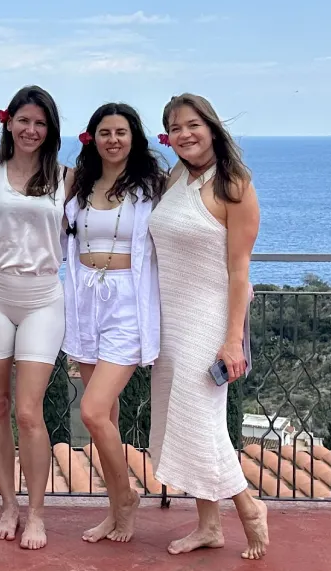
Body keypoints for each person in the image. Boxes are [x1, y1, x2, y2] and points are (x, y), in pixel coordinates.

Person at [148, 93, 269, 561]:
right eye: (175, 128)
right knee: (184, 420)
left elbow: (240, 272)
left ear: (212, 127)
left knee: (201, 422)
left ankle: (248, 508)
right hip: (170, 318)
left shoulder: (234, 185)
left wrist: (232, 338)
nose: (184, 135)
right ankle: (208, 525)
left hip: (208, 318)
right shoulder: (176, 176)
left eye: (192, 124)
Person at [0, 85, 70, 551]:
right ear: (9, 122)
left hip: (43, 298)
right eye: (24, 121)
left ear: (50, 130)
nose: (31, 130)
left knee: (29, 412)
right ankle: (7, 505)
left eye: (40, 123)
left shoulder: (68, 177)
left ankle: (35, 512)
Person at [62, 103, 165, 544]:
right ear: (92, 138)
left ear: (133, 137)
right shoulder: (78, 184)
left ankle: (125, 497)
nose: (113, 140)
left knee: (92, 411)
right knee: (110, 415)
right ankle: (113, 506)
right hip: (84, 299)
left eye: (121, 132)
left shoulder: (152, 187)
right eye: (105, 132)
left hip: (126, 301)